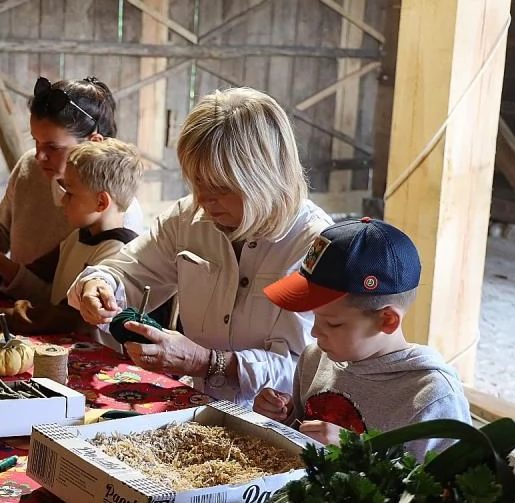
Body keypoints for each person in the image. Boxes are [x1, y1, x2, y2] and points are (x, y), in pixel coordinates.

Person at [67, 87, 332, 408]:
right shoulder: (188, 217)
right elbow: (128, 273)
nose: (204, 201)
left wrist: (205, 361)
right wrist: (99, 285)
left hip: (272, 425)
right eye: (196, 184)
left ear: (263, 179)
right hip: (195, 407)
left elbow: (304, 373)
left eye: (219, 188)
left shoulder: (316, 245)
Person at [253, 217, 471, 460]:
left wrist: (356, 450)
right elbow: (303, 438)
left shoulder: (433, 398)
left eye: (333, 323)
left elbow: (446, 491)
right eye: (315, 317)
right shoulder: (315, 358)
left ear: (386, 320)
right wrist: (285, 416)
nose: (315, 332)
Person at [0, 138, 143, 336]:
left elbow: (65, 317)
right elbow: (34, 273)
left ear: (101, 202)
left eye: (70, 192)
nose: (63, 200)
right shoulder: (76, 238)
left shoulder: (117, 254)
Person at [0, 76, 146, 268]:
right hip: (11, 298)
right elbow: (1, 229)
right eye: (36, 141)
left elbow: (75, 299)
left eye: (53, 147)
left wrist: (1, 267)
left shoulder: (115, 214)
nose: (39, 156)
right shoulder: (29, 165)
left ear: (93, 143)